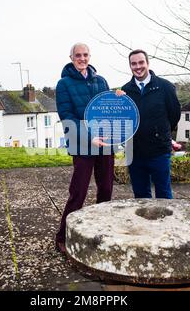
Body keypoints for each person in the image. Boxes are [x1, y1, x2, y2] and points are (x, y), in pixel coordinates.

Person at [55, 43, 114, 254]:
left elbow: (110, 111)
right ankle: (62, 237)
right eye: (78, 55)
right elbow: (67, 117)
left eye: (85, 54)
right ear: (71, 57)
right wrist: (90, 138)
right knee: (78, 192)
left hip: (105, 145)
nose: (82, 58)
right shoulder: (64, 84)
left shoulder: (101, 81)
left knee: (106, 189)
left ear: (90, 56)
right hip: (82, 145)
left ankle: (100, 232)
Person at [121, 49, 181, 199]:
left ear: (147, 63)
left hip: (159, 151)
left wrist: (160, 132)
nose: (138, 66)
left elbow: (174, 114)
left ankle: (167, 223)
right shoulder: (125, 91)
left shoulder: (165, 87)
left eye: (141, 62)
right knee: (141, 197)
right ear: (130, 66)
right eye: (133, 64)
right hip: (135, 152)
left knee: (164, 195)